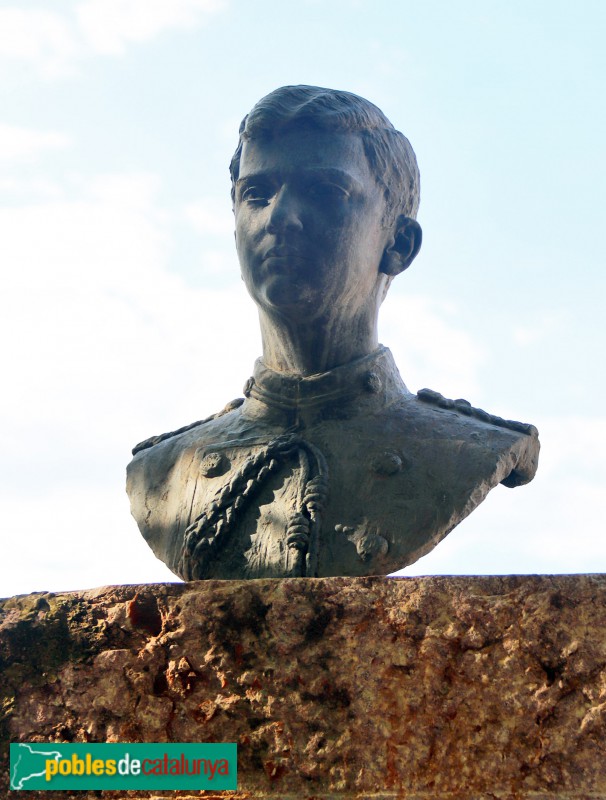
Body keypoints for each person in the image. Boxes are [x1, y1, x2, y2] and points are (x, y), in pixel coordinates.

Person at [127, 85, 539, 580]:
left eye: (325, 192)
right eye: (255, 194)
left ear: (399, 244)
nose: (279, 218)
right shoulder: (163, 470)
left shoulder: (468, 449)